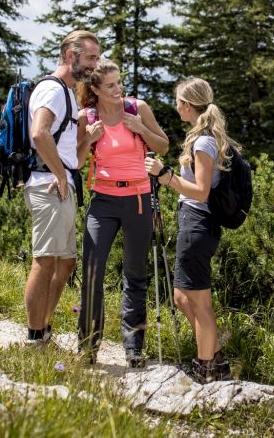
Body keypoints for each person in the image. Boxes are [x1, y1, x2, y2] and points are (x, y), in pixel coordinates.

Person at [75, 59, 169, 366]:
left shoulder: (137, 108)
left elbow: (164, 146)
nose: (119, 90)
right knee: (92, 272)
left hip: (139, 200)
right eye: (111, 85)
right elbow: (76, 161)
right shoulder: (86, 117)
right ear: (95, 90)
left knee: (135, 275)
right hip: (103, 201)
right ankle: (88, 346)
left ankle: (133, 348)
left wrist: (141, 128)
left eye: (120, 83)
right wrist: (88, 138)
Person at [144, 77, 235, 382]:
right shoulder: (201, 138)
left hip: (198, 223)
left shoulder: (204, 142)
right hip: (192, 222)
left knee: (199, 302)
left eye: (178, 101)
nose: (176, 106)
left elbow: (200, 191)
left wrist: (165, 176)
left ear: (187, 104)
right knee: (182, 298)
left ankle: (207, 370)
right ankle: (213, 355)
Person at [22, 30, 100, 346]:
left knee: (65, 262)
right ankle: (35, 337)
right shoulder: (52, 90)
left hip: (61, 185)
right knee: (44, 261)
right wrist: (59, 174)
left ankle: (45, 325)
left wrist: (86, 142)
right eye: (91, 58)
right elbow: (39, 134)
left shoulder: (68, 92)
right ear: (70, 56)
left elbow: (71, 157)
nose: (95, 65)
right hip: (49, 186)